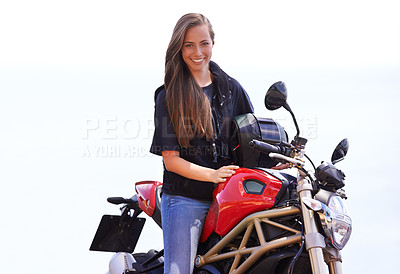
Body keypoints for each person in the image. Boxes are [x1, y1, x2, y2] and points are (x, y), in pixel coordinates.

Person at [150, 13, 254, 274]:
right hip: (186, 198)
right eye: (189, 45)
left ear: (213, 44)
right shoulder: (168, 96)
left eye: (204, 43)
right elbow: (171, 161)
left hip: (230, 197)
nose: (198, 52)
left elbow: (252, 138)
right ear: (179, 48)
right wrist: (214, 175)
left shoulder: (232, 89)